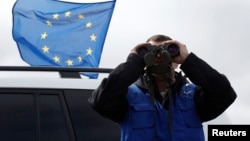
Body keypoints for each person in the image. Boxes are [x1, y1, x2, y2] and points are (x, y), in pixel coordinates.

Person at [88, 34, 237, 141]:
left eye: (168, 51)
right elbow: (101, 102)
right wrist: (133, 62)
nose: (159, 57)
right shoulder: (127, 97)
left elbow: (224, 94)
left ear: (177, 60)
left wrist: (188, 60)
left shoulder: (194, 96)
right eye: (151, 52)